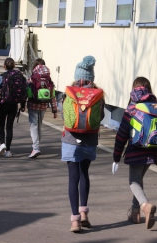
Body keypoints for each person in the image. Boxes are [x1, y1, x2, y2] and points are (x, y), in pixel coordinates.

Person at [113, 77, 157, 230]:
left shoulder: (132, 108)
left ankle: (145, 206)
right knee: (139, 179)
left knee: (133, 181)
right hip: (154, 150)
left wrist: (116, 156)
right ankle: (135, 213)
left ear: (134, 90)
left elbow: (122, 134)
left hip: (136, 150)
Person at [61, 56, 104, 233]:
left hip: (71, 139)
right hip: (90, 140)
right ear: (91, 78)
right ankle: (84, 213)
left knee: (73, 177)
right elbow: (100, 117)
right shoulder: (98, 95)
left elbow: (65, 116)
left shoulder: (69, 94)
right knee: (84, 173)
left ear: (77, 76)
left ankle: (75, 221)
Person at [27, 58, 57, 158]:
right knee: (39, 126)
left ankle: (35, 148)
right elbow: (52, 95)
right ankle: (37, 146)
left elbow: (27, 91)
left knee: (33, 126)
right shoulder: (48, 79)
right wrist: (54, 109)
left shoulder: (32, 77)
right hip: (44, 105)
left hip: (33, 105)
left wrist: (23, 105)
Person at [0, 57, 25, 158]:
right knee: (9, 127)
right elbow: (24, 89)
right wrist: (23, 105)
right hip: (14, 104)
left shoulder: (2, 76)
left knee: (1, 125)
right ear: (14, 66)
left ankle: (2, 143)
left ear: (4, 66)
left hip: (4, 103)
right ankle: (8, 150)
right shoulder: (19, 76)